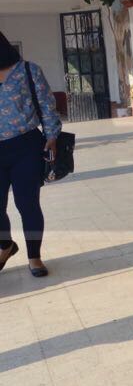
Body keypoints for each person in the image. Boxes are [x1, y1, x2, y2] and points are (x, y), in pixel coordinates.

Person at [0, 32, 60, 278]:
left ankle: (34, 256)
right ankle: (5, 246)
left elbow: (46, 104)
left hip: (26, 146)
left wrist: (52, 135)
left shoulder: (27, 70)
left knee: (27, 204)